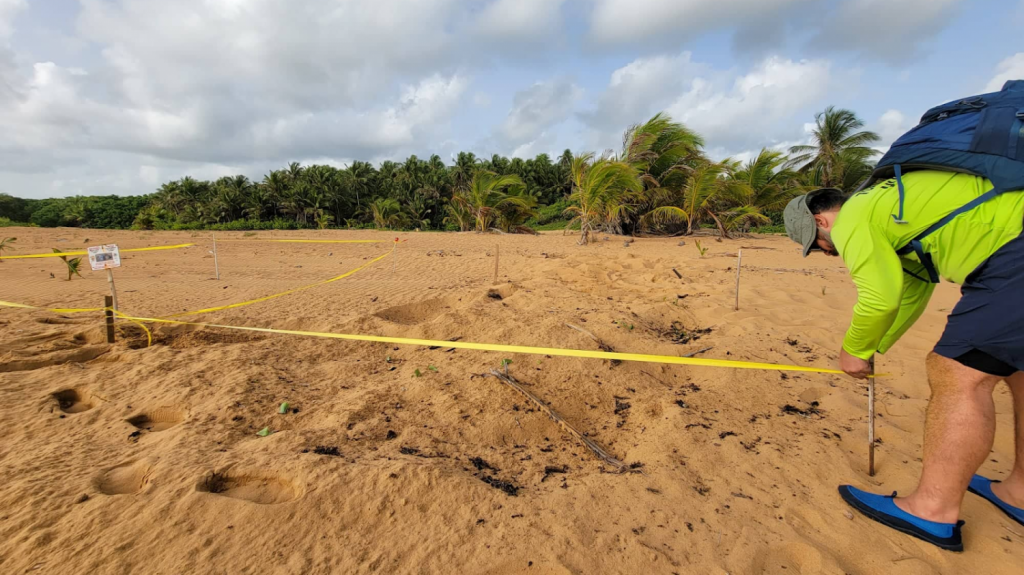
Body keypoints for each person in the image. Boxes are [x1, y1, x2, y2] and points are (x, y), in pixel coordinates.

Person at [784, 169, 1024, 552]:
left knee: (957, 371)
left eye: (817, 245)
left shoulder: (856, 217)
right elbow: (914, 288)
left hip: (1012, 252)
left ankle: (932, 510)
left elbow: (880, 298)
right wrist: (876, 346)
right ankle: (1019, 492)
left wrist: (853, 350)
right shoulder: (889, 213)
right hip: (1011, 241)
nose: (826, 254)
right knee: (1017, 369)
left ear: (821, 221)